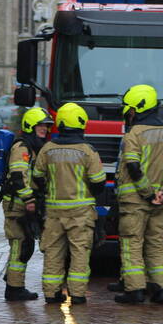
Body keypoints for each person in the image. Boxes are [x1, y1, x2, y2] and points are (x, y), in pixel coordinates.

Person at [113, 84, 163, 305]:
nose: (128, 113)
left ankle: (135, 291)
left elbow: (133, 167)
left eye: (129, 109)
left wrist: (148, 193)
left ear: (137, 108)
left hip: (136, 200)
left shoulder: (135, 133)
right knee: (156, 244)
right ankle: (161, 289)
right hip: (162, 200)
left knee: (132, 243)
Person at [32, 103, 106, 304]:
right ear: (81, 124)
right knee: (79, 252)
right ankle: (78, 294)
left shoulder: (47, 149)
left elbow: (37, 177)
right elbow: (99, 182)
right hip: (81, 212)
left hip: (54, 211)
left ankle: (51, 293)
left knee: (53, 252)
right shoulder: (87, 151)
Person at [1, 107, 50, 301]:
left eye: (46, 126)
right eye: (41, 126)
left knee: (23, 244)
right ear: (30, 125)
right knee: (21, 246)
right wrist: (29, 199)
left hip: (24, 203)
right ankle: (14, 288)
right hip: (17, 204)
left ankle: (12, 279)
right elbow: (17, 176)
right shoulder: (22, 147)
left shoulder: (33, 147)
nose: (44, 129)